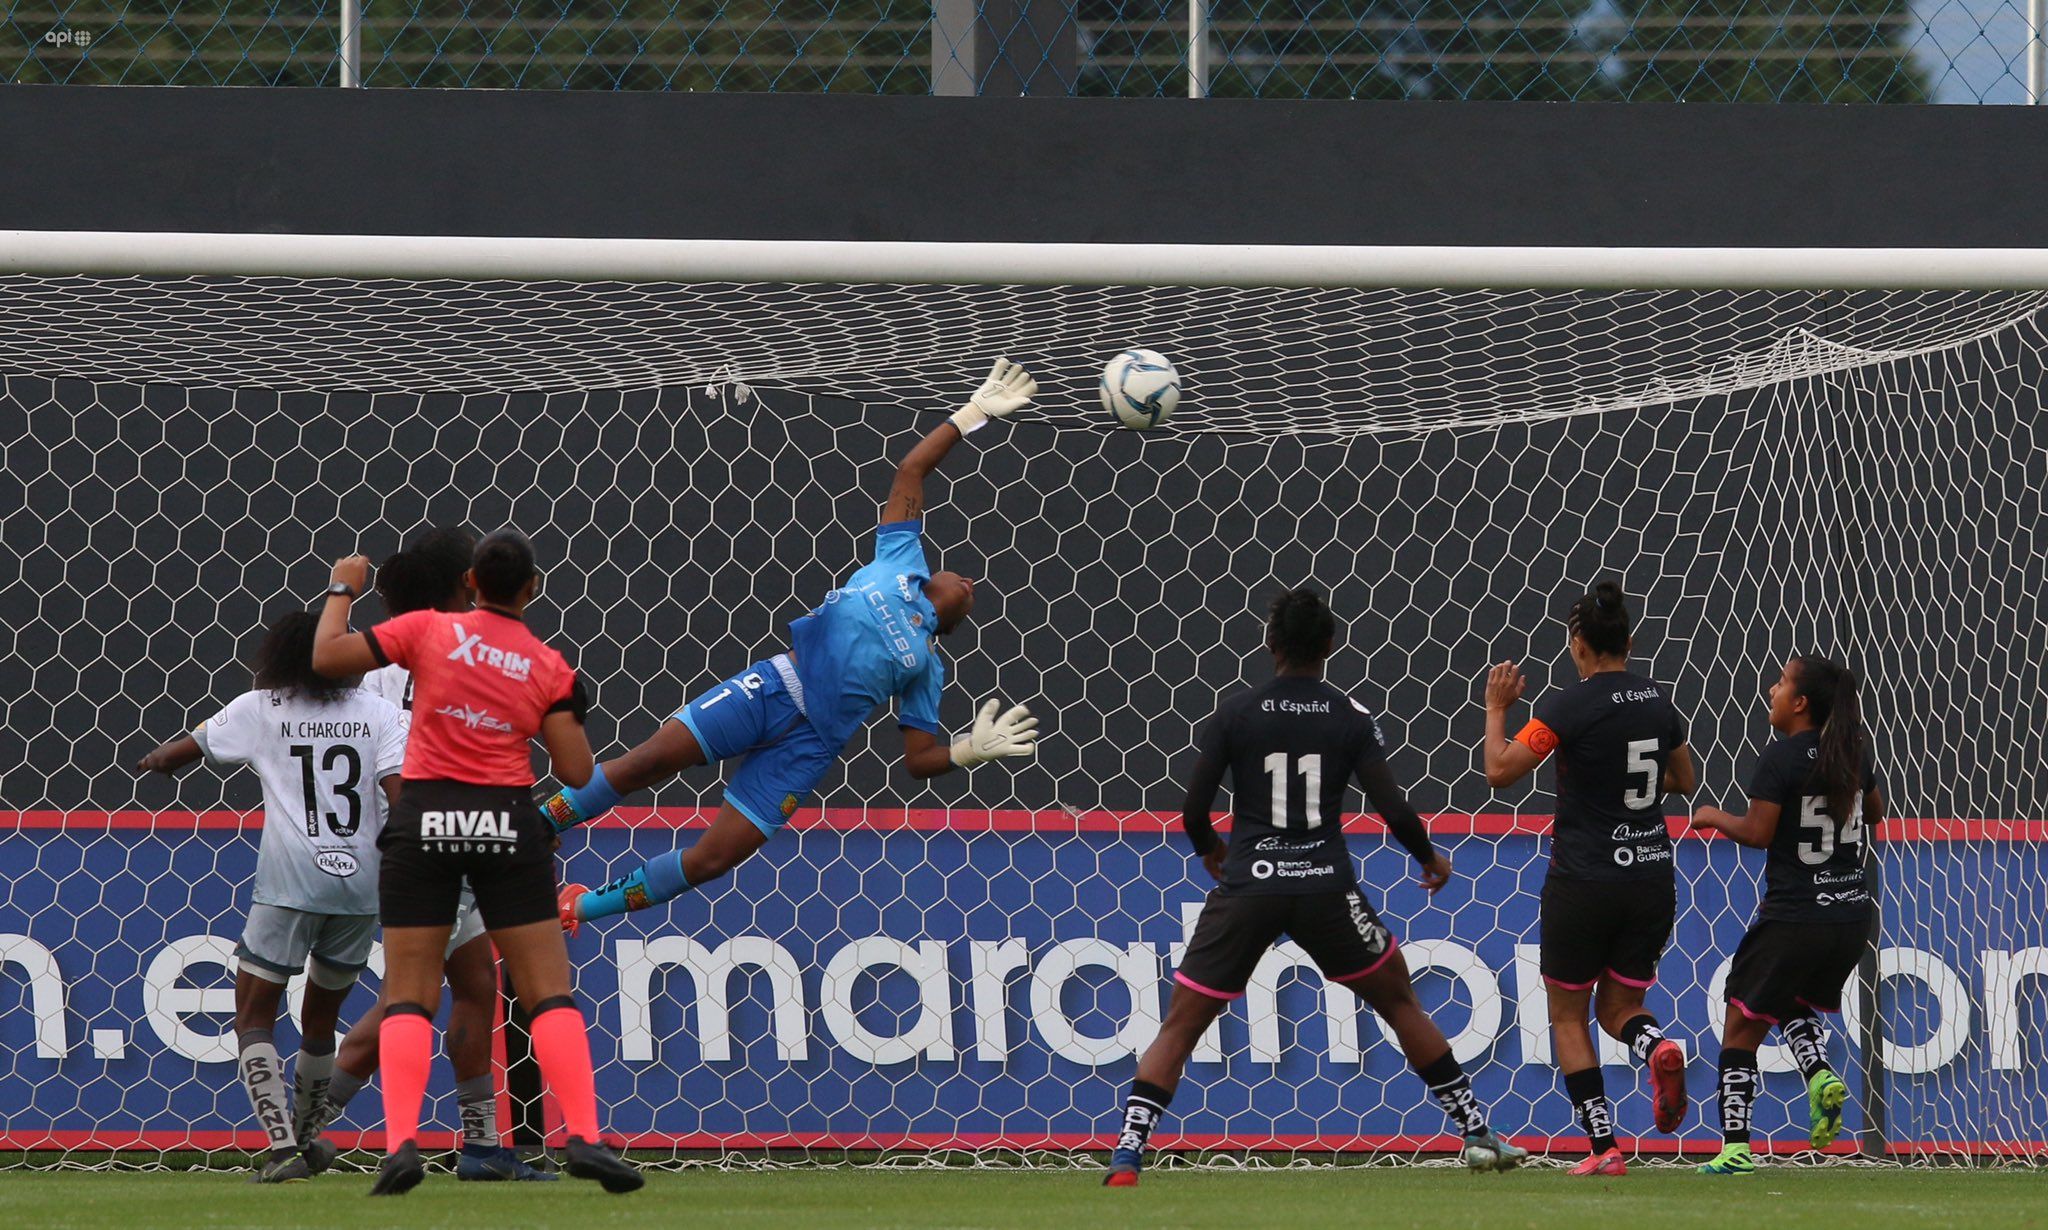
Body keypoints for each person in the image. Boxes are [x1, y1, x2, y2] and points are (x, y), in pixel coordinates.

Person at [545, 360, 1041, 927]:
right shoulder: (901, 559)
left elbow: (917, 760)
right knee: (649, 760)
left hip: (807, 749)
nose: (971, 582)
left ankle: (577, 908)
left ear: (949, 623)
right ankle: (541, 825)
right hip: (776, 687)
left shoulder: (927, 664)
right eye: (965, 577)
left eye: (972, 594)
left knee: (716, 857)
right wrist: (972, 413)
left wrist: (966, 751)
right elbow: (911, 469)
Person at [1103, 588, 1528, 1187]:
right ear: (1330, 645)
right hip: (1326, 887)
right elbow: (1394, 809)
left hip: (1250, 884)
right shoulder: (1349, 717)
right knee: (1400, 1001)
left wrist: (1211, 851)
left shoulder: (1237, 714)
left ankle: (1127, 1152)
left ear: (1269, 643)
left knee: (1181, 1023)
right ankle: (1476, 1132)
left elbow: (1194, 810)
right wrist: (1428, 857)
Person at [311, 529, 640, 1196]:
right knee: (548, 988)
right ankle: (585, 1135)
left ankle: (401, 1144)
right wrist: (560, 711)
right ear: (532, 589)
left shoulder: (427, 632)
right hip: (505, 823)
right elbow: (576, 771)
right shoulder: (548, 664)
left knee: (407, 992)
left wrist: (344, 586)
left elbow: (326, 658)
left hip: (424, 821)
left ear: (470, 584)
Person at [298, 527, 553, 1181]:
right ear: (461, 585)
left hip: (389, 836)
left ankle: (478, 1147)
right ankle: (304, 1133)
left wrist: (340, 594)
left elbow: (326, 678)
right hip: (451, 824)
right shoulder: (470, 647)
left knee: (467, 985)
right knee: (415, 998)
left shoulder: (374, 662)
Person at [137, 610, 407, 1184]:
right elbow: (399, 798)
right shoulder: (382, 714)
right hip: (361, 885)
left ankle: (282, 1147)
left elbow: (179, 751)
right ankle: (306, 1141)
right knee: (321, 1020)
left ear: (280, 658)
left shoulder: (262, 708)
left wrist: (156, 760)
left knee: (254, 1011)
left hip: (289, 885)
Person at [1479, 581, 1697, 1176]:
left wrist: (1498, 707)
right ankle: (1657, 1046)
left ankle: (1604, 1150)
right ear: (1629, 640)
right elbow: (1684, 780)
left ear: (1578, 645)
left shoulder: (1567, 708)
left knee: (1570, 1016)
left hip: (1584, 880)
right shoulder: (1659, 704)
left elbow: (1501, 771)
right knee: (1621, 1006)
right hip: (1651, 877)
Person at [1690, 655, 1880, 1175]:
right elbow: (1876, 813)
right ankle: (1819, 1073)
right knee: (1790, 999)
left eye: (1779, 683)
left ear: (1799, 704)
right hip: (1849, 916)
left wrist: (1712, 816)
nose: (1770, 690)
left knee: (1739, 1024)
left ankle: (1734, 1149)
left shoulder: (1780, 758)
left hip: (1796, 914)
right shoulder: (1855, 754)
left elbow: (1757, 833)